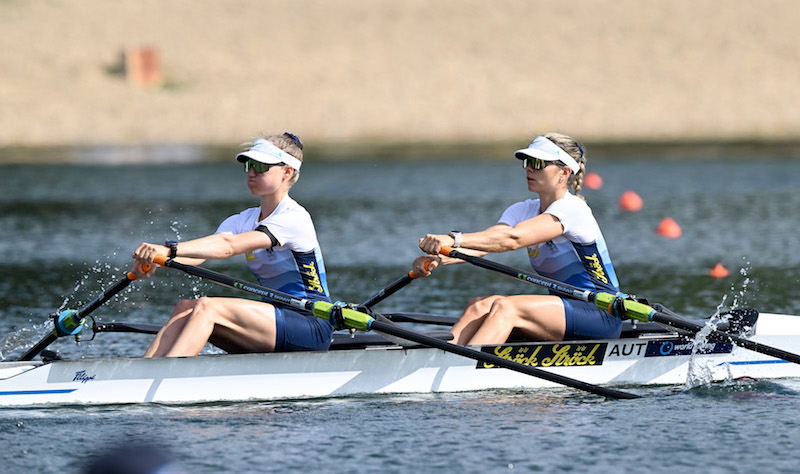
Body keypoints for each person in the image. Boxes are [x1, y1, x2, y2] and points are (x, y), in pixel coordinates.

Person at [131, 132, 333, 357]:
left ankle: (164, 380)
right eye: (249, 165)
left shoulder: (294, 217)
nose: (252, 173)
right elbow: (201, 254)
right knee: (185, 308)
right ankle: (144, 371)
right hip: (275, 320)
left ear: (287, 172)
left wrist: (169, 249)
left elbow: (228, 246)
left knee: (207, 307)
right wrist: (157, 260)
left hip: (310, 324)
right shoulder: (243, 220)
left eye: (261, 166)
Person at [414, 132, 622, 345]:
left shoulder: (573, 209)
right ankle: (438, 360)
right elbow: (486, 244)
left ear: (564, 172)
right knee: (479, 306)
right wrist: (437, 259)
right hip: (563, 309)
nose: (529, 168)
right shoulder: (522, 209)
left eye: (538, 163)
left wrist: (453, 239)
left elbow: (513, 239)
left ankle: (461, 369)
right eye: (527, 162)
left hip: (600, 313)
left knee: (506, 307)